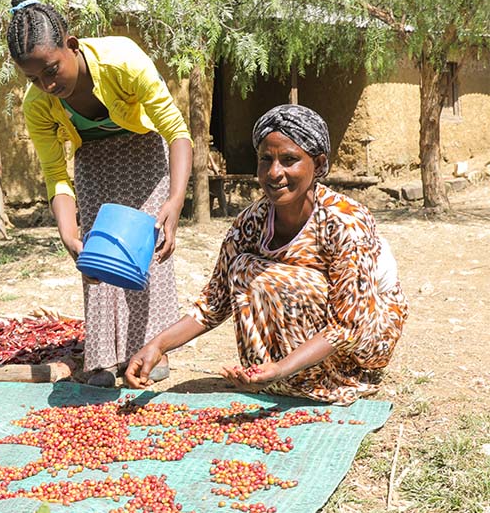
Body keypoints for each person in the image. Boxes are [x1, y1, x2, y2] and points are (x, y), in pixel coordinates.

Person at [125, 105, 408, 404]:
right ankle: (271, 376)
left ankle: (316, 378)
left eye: (289, 160)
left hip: (367, 333)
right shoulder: (252, 221)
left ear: (319, 164)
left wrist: (282, 368)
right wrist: (158, 345)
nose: (275, 173)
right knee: (244, 269)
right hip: (312, 337)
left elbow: (347, 325)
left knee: (281, 281)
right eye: (265, 160)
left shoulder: (344, 222)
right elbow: (214, 302)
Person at [7, 0, 194, 387]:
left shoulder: (122, 59)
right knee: (98, 254)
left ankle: (150, 350)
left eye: (52, 70)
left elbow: (176, 132)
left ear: (71, 46)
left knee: (146, 251)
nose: (46, 84)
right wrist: (67, 233)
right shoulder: (37, 104)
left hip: (144, 149)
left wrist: (175, 201)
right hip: (93, 159)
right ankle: (105, 358)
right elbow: (56, 173)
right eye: (33, 79)